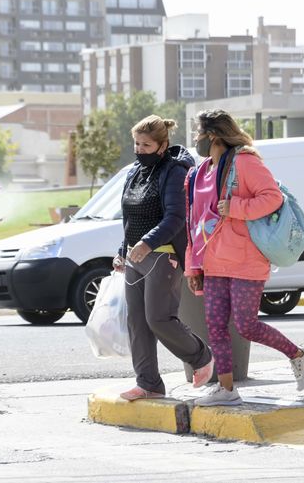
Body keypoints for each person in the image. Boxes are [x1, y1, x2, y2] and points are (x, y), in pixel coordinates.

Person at [185, 109, 304, 406]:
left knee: (246, 326)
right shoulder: (200, 172)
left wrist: (236, 207)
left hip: (246, 260)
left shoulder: (244, 161)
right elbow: (193, 221)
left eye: (198, 133)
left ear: (213, 136)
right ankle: (227, 390)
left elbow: (272, 197)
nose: (196, 139)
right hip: (213, 262)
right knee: (216, 326)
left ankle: (299, 354)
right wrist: (193, 265)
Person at [114, 114, 214, 401]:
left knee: (158, 318)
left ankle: (201, 356)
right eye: (136, 144)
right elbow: (130, 218)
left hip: (163, 255)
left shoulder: (174, 171)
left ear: (162, 145)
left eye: (146, 145)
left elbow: (175, 217)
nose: (139, 150)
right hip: (135, 256)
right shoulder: (135, 172)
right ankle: (148, 384)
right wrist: (123, 251)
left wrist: (147, 242)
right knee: (137, 322)